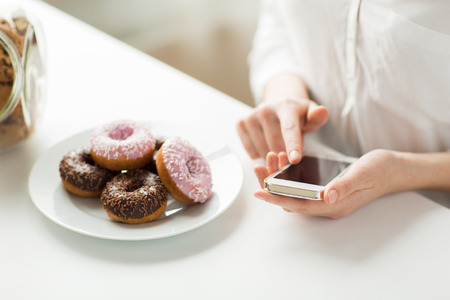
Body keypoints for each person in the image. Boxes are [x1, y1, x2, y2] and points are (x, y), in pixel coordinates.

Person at [237, 0, 450, 218]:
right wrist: (284, 94)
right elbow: (279, 21)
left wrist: (401, 172)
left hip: (430, 217)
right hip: (310, 177)